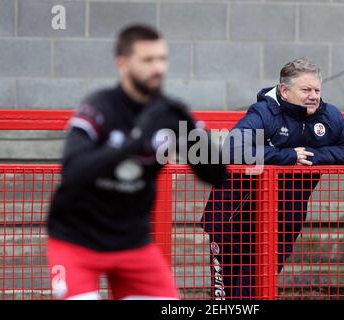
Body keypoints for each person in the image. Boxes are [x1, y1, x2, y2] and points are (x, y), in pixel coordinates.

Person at [47, 24, 227, 300]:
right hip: (76, 240)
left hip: (132, 242)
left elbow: (215, 175)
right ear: (123, 63)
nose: (158, 68)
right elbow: (74, 172)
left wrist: (192, 132)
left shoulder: (168, 113)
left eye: (162, 59)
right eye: (147, 60)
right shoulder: (99, 107)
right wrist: (135, 141)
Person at [201, 57, 344, 299]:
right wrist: (288, 156)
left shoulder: (329, 116)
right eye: (306, 90)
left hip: (281, 225)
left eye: (317, 90)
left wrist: (313, 155)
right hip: (232, 220)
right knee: (226, 297)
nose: (313, 96)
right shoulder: (263, 112)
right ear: (284, 90)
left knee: (253, 293)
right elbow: (233, 149)